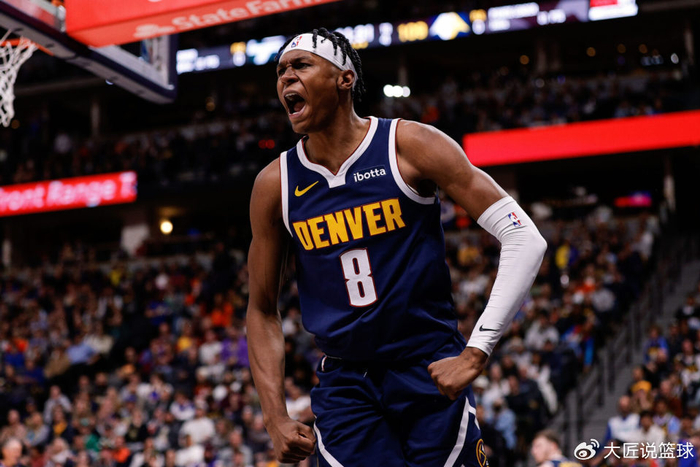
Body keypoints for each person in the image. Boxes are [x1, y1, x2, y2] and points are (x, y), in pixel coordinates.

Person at [247, 27, 547, 466]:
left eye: (301, 65)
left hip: (426, 363)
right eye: (281, 71)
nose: (286, 77)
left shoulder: (408, 145)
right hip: (346, 382)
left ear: (344, 79)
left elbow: (523, 237)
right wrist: (274, 416)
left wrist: (477, 350)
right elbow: (260, 309)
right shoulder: (275, 183)